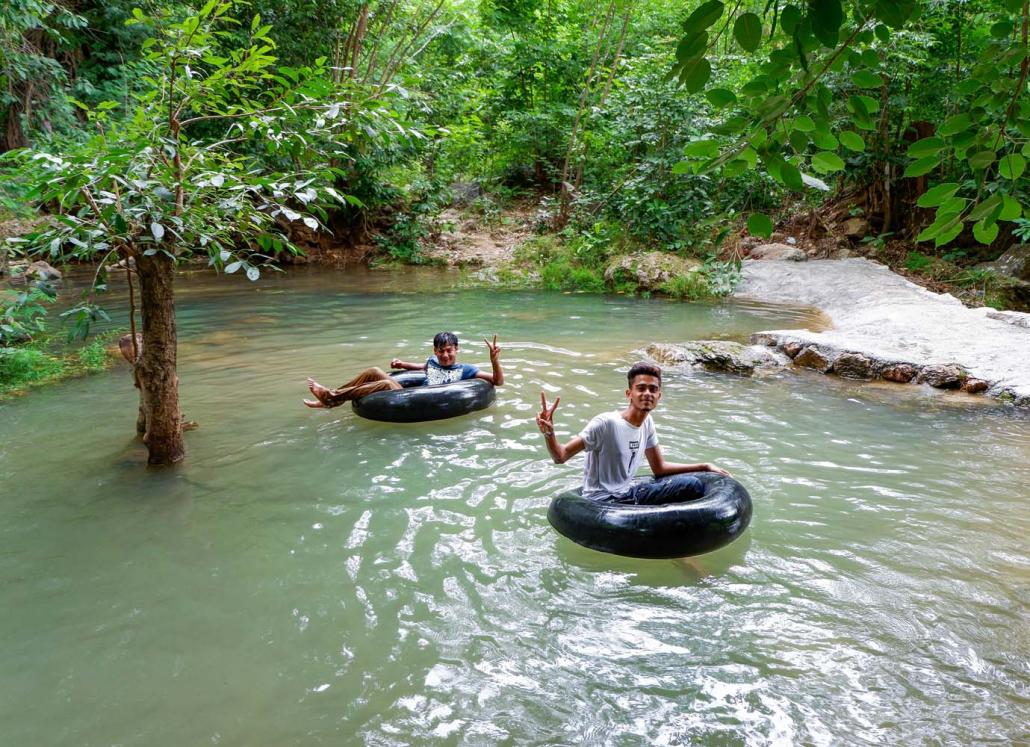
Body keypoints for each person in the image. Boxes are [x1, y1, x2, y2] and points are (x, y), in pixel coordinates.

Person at [535, 361, 729, 504]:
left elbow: (659, 468)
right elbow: (561, 456)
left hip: (627, 492)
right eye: (641, 388)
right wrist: (549, 434)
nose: (647, 394)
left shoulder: (648, 423)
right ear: (629, 394)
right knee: (690, 486)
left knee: (691, 484)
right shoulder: (606, 423)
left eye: (653, 389)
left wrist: (704, 466)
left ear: (658, 396)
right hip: (604, 501)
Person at [304, 332, 504, 408]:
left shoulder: (465, 370)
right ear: (435, 351)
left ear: (456, 350)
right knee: (373, 370)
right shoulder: (432, 362)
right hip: (406, 392)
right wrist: (402, 364)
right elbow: (421, 368)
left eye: (449, 351)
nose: (445, 355)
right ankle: (332, 399)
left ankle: (330, 397)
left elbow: (497, 382)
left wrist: (494, 360)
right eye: (441, 351)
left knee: (383, 384)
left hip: (414, 398)